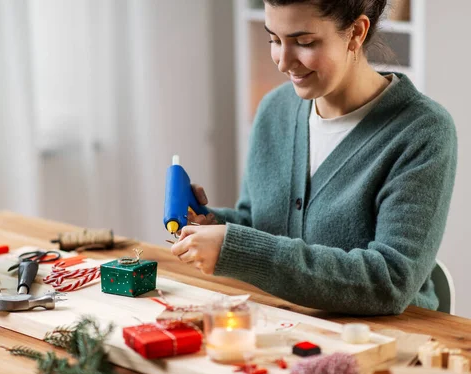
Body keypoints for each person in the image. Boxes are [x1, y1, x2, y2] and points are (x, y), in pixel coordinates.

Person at [170, 0, 457, 315]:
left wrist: (234, 248)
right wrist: (210, 224)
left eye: (304, 42)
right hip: (285, 327)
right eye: (274, 40)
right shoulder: (274, 110)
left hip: (388, 341)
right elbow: (260, 225)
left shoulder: (421, 131)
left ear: (356, 33)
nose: (282, 62)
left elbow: (390, 280)